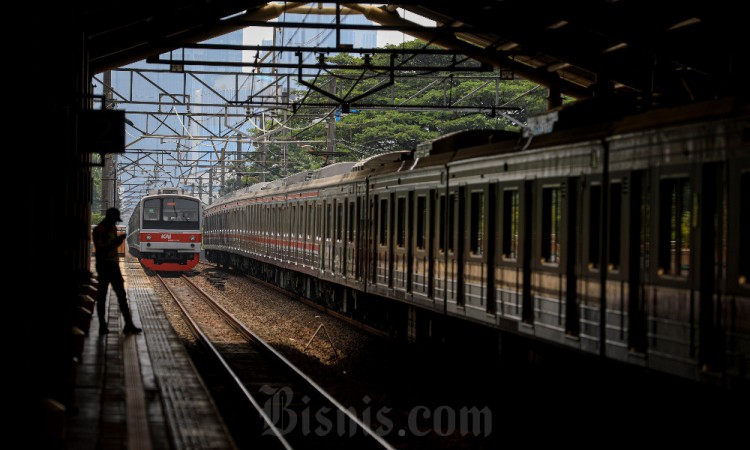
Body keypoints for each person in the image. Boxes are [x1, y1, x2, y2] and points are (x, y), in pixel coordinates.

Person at [92, 208, 142, 334]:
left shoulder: (112, 228)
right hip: (104, 266)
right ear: (109, 218)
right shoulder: (98, 230)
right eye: (114, 220)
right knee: (102, 296)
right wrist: (116, 241)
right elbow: (101, 248)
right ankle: (103, 326)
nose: (115, 223)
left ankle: (128, 324)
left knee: (121, 296)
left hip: (114, 266)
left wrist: (117, 242)